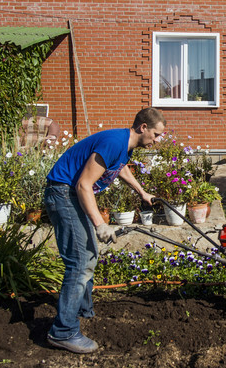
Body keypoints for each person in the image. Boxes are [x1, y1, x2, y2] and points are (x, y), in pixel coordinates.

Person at [44, 107, 165, 353]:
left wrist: (142, 193)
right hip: (64, 193)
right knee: (79, 261)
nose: (158, 139)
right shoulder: (113, 141)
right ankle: (63, 332)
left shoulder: (124, 144)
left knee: (88, 256)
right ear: (143, 128)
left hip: (69, 193)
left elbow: (119, 167)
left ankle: (81, 310)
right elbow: (83, 184)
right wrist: (100, 224)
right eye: (156, 134)